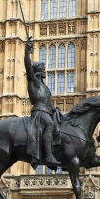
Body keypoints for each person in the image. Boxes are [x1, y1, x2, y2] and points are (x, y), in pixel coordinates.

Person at [24, 38, 61, 167]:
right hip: (39, 112)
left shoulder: (44, 87)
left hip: (47, 111)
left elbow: (48, 103)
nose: (44, 69)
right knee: (50, 124)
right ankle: (49, 156)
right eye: (41, 67)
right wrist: (27, 50)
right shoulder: (33, 81)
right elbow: (28, 66)